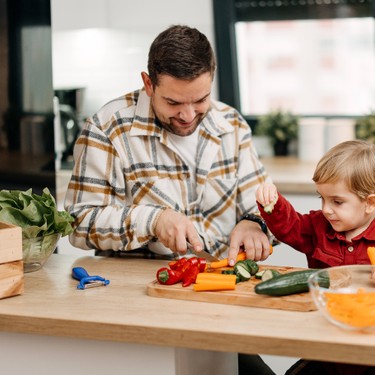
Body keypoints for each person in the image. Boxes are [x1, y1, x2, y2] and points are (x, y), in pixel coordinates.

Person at [65, 25, 275, 375]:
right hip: (139, 308)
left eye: (201, 100)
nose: (188, 115)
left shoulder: (232, 126)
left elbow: (262, 205)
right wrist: (153, 220)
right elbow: (79, 222)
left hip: (219, 303)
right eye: (173, 102)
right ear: (149, 84)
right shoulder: (107, 127)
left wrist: (254, 223)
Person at [256, 139, 375, 375]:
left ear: (370, 203)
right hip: (325, 347)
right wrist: (274, 204)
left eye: (337, 201)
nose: (326, 209)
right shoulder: (319, 226)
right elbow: (290, 227)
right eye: (321, 198)